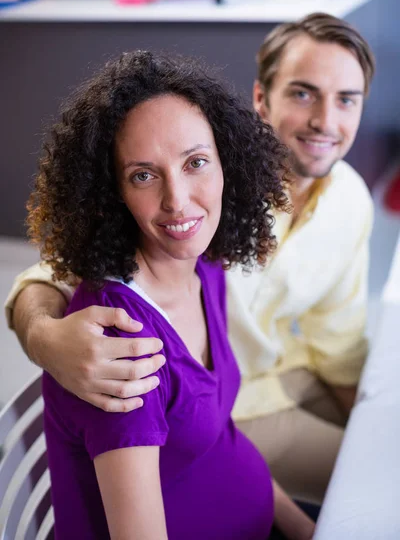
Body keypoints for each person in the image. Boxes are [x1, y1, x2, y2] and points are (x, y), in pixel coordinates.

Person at [6, 12, 375, 506]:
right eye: (303, 93)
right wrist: (43, 336)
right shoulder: (199, 203)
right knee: (375, 480)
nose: (326, 121)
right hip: (222, 409)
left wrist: (371, 419)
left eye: (346, 99)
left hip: (293, 375)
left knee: (383, 444)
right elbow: (54, 273)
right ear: (262, 99)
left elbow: (341, 343)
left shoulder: (350, 200)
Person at [25, 50, 316, 539]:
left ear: (228, 162)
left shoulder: (203, 268)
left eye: (195, 163)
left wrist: (304, 529)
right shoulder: (119, 348)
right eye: (144, 174)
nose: (177, 200)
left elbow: (221, 442)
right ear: (112, 191)